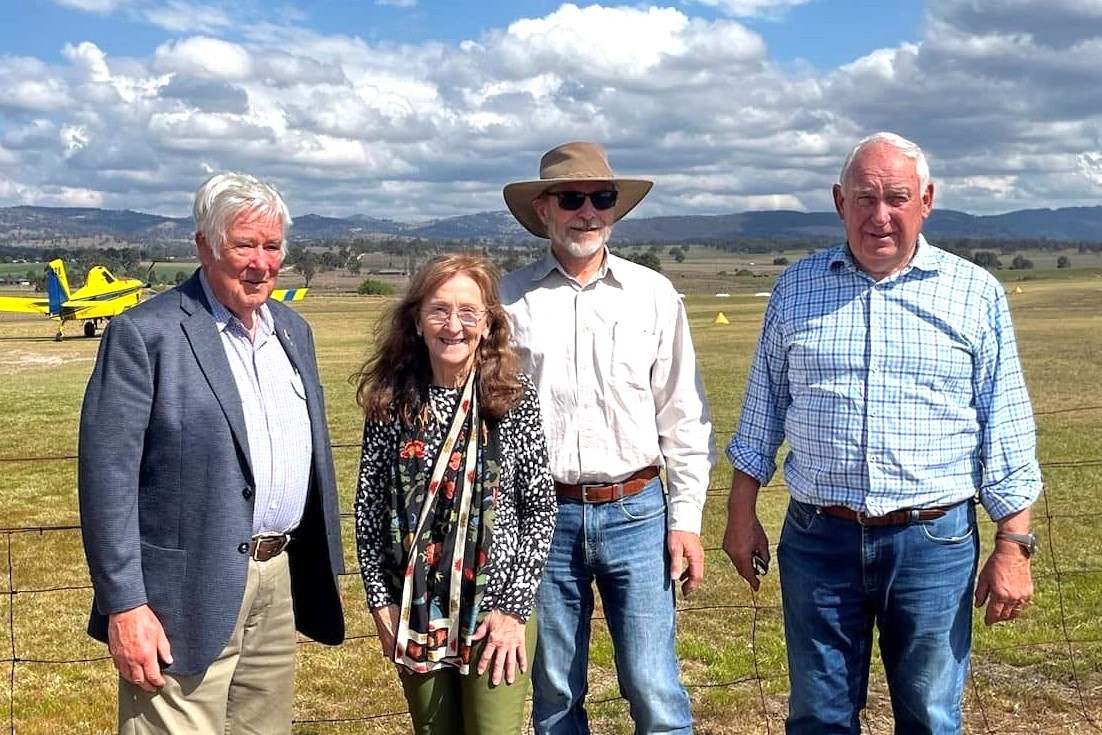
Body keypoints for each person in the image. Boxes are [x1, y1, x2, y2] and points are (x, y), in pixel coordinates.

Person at [723, 131, 1043, 734]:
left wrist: (1013, 545)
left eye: (896, 197)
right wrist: (741, 515)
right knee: (819, 717)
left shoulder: (975, 293)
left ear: (926, 200)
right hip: (819, 539)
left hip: (933, 545)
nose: (880, 215)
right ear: (839, 201)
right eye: (864, 198)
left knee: (928, 717)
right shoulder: (796, 287)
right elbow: (762, 411)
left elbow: (1007, 427)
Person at [77, 172, 345, 734]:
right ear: (204, 245)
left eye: (272, 247)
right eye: (243, 245)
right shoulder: (144, 335)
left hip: (277, 580)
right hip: (180, 595)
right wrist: (125, 606)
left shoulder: (293, 332)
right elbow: (108, 482)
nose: (261, 263)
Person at [499, 141, 715, 735]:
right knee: (555, 692)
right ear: (544, 209)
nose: (588, 212)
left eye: (602, 198)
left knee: (653, 685)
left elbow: (684, 416)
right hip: (539, 515)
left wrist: (687, 520)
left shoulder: (654, 294)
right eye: (572, 198)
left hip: (639, 511)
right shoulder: (506, 300)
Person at [353, 253, 556, 735]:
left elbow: (540, 508)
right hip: (416, 608)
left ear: (488, 324)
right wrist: (381, 602)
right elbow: (366, 512)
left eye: (469, 312)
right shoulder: (392, 400)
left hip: (493, 613)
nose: (454, 326)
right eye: (439, 310)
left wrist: (512, 610)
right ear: (418, 321)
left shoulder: (512, 396)